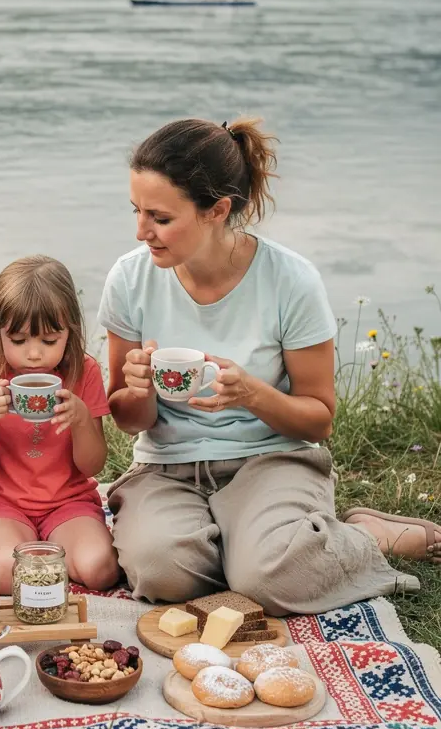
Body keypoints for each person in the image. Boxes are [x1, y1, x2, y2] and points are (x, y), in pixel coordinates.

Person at [100, 116, 433, 616]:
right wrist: (140, 389)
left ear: (218, 210)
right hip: (167, 468)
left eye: (160, 218)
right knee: (160, 570)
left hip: (270, 460)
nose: (141, 230)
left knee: (268, 578)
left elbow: (319, 417)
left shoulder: (290, 281)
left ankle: (367, 536)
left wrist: (252, 394)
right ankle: (261, 545)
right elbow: (127, 419)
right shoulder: (129, 279)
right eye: (137, 211)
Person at [0, 255, 118, 594]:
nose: (34, 355)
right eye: (18, 340)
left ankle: (46, 558)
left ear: (69, 332)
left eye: (49, 341)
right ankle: (44, 561)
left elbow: (93, 465)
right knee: (4, 572)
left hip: (68, 502)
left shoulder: (83, 372)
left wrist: (81, 421)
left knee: (100, 569)